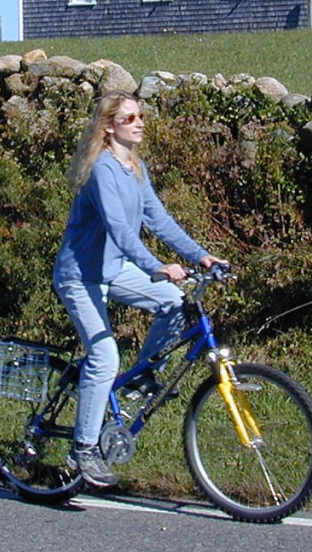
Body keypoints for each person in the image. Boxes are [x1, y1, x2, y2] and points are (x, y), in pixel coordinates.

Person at [53, 91, 225, 488]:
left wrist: (201, 256)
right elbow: (119, 228)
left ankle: (140, 380)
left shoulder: (134, 166)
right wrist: (155, 266)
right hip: (80, 275)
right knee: (104, 355)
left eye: (141, 116)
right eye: (130, 118)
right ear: (109, 126)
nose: (140, 122)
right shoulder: (101, 170)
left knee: (175, 304)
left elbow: (158, 219)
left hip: (112, 270)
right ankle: (84, 448)